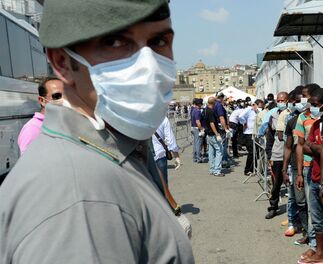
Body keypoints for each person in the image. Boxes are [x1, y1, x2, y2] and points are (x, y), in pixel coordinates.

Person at [0, 0, 194, 263]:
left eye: (159, 41)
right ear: (62, 61)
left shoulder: (112, 151)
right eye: (115, 42)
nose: (148, 65)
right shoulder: (77, 193)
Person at [297, 88, 323, 264]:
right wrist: (319, 148)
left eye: (315, 105)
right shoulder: (316, 125)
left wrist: (317, 148)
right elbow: (305, 146)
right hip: (314, 176)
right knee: (317, 218)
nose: (311, 108)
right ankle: (319, 252)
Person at [281, 87, 306, 237]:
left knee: (308, 202)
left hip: (310, 167)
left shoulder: (316, 120)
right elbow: (288, 146)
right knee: (295, 198)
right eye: (295, 101)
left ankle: (309, 232)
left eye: (300, 101)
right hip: (295, 167)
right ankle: (295, 224)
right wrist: (285, 169)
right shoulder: (292, 121)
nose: (297, 104)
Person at [17, 77, 64, 154]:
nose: (63, 100)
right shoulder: (32, 129)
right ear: (42, 100)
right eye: (57, 96)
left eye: (66, 96)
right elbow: (29, 164)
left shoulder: (64, 123)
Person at [265, 91, 289, 219]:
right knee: (275, 184)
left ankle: (293, 213)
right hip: (277, 154)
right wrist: (269, 155)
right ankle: (273, 207)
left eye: (283, 100)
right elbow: (269, 138)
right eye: (279, 100)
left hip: (290, 154)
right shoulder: (273, 116)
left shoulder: (291, 114)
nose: (281, 103)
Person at [152, 116, 181, 185]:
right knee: (163, 185)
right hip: (159, 154)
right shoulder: (162, 118)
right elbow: (170, 140)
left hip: (141, 156)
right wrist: (176, 156)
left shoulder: (138, 116)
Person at [239, 99, 264, 176]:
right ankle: (247, 169)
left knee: (255, 152)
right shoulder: (249, 110)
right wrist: (244, 122)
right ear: (255, 105)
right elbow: (240, 116)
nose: (260, 108)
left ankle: (254, 168)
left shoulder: (258, 112)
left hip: (256, 133)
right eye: (259, 106)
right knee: (251, 152)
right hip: (249, 133)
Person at [205, 97, 224, 177]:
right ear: (214, 103)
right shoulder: (211, 111)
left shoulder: (205, 110)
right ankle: (217, 170)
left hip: (208, 133)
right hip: (213, 134)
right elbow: (212, 123)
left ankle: (212, 169)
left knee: (211, 151)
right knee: (219, 150)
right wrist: (217, 133)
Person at [215, 92, 232, 168]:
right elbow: (221, 118)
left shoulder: (215, 105)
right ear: (221, 98)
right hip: (221, 127)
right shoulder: (219, 105)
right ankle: (224, 161)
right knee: (223, 145)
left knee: (220, 145)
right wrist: (226, 129)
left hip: (218, 127)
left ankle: (220, 161)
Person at [191, 98, 206, 163]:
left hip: (193, 127)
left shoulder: (193, 110)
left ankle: (195, 157)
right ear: (199, 104)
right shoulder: (197, 111)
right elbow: (198, 121)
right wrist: (201, 129)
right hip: (197, 128)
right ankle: (198, 158)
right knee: (198, 144)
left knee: (195, 143)